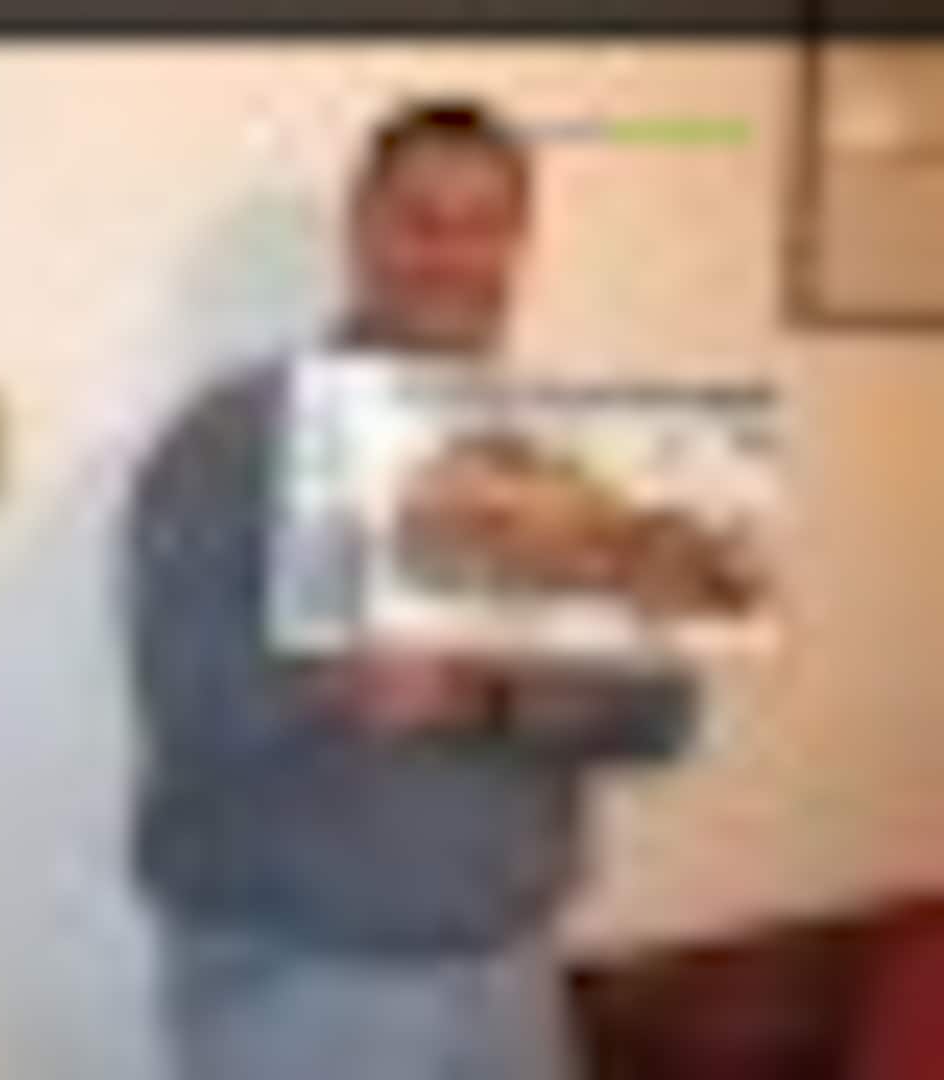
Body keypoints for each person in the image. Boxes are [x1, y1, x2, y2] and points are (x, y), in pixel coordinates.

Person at [122, 99, 699, 1080]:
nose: (452, 257)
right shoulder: (236, 433)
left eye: (485, 226)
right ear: (363, 234)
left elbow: (665, 713)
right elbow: (181, 694)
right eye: (420, 221)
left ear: (519, 246)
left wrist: (493, 696)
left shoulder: (568, 453)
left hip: (514, 971)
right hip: (300, 979)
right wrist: (337, 684)